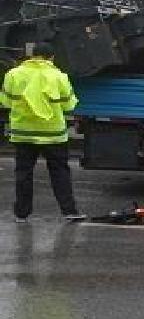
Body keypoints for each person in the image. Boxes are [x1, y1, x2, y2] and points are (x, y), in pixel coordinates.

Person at [0, 43, 85, 224]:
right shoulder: (59, 76)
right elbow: (69, 105)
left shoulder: (13, 75)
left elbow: (6, 102)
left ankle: (21, 214)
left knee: (23, 173)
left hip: (23, 134)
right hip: (53, 134)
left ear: (32, 55)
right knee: (60, 172)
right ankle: (69, 211)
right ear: (51, 57)